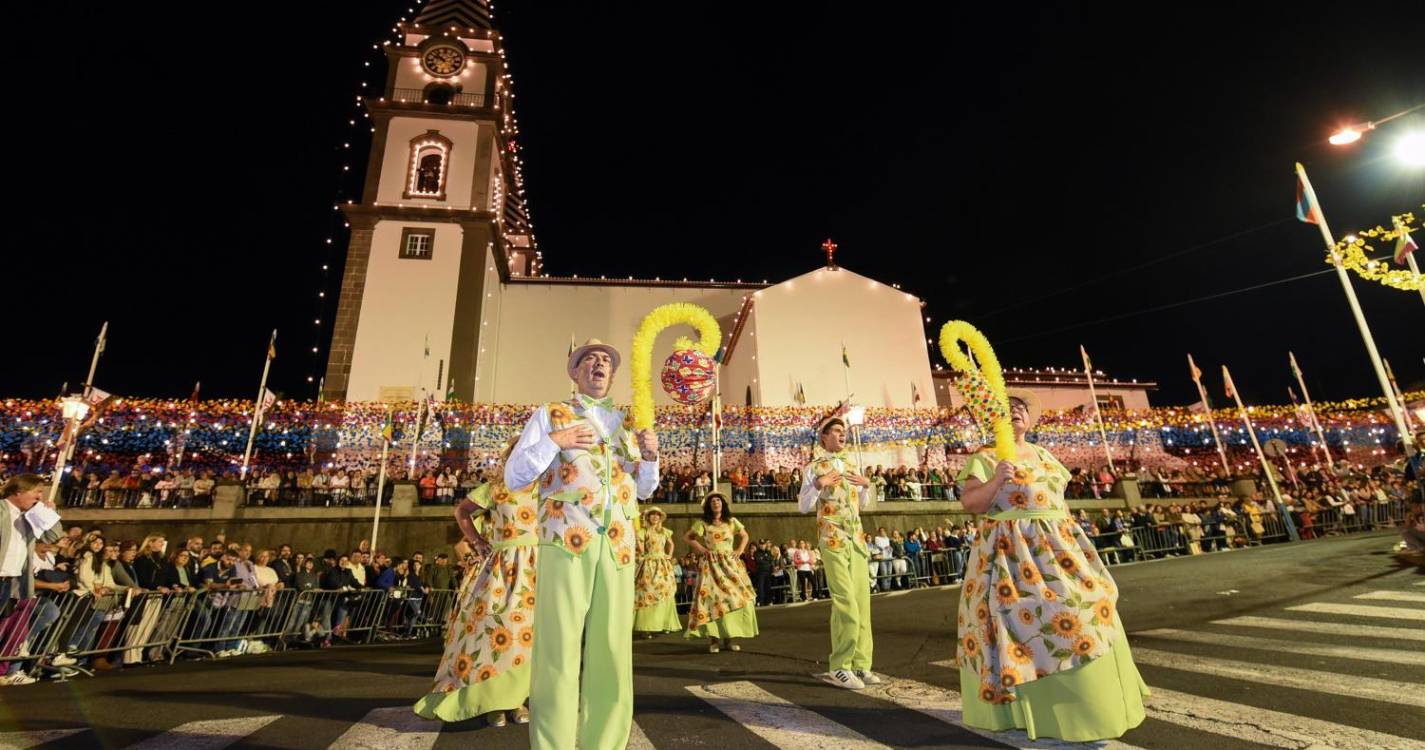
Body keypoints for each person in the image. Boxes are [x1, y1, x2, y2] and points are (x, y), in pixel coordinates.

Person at [955, 388, 1147, 741]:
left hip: (1059, 548)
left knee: (1090, 608)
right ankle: (1039, 711)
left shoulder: (1044, 455)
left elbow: (1059, 503)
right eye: (1006, 409)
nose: (1014, 412)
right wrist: (998, 478)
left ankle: (1091, 708)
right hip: (1010, 556)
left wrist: (1075, 541)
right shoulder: (984, 457)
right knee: (1021, 626)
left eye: (1020, 409)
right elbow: (971, 503)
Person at [504, 338, 660, 750]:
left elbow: (644, 490)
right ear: (574, 373)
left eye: (606, 360)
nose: (599, 364)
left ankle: (604, 744)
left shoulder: (628, 423)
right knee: (558, 649)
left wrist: (651, 457)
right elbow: (514, 476)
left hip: (619, 545)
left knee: (612, 650)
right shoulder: (550, 414)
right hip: (566, 538)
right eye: (589, 359)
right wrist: (555, 441)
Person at [799, 416, 878, 690]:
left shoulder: (852, 466)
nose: (842, 435)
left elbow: (863, 505)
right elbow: (803, 506)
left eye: (843, 431)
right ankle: (840, 666)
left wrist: (867, 485)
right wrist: (818, 485)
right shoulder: (813, 468)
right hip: (832, 538)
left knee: (862, 603)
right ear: (824, 437)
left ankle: (861, 664)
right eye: (836, 431)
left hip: (856, 539)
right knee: (845, 601)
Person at [0, 474, 65, 685]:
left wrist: (50, 513)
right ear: (19, 491)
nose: (40, 496)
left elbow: (52, 536)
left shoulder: (28, 517)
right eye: (36, 491)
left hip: (11, 581)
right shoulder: (1, 509)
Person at [683, 493, 758, 652]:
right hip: (711, 565)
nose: (716, 503)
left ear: (723, 503)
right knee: (711, 599)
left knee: (732, 598)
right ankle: (713, 640)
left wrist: (739, 550)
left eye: (718, 500)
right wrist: (702, 549)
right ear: (709, 506)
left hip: (730, 564)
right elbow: (688, 537)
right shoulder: (703, 523)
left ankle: (729, 639)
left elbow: (744, 535)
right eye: (712, 501)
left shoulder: (731, 522)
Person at [633, 507, 681, 637]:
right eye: (652, 515)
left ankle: (665, 623)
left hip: (662, 564)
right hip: (649, 563)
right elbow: (640, 546)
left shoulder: (664, 531)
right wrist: (642, 549)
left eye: (657, 515)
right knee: (647, 590)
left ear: (660, 518)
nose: (655, 517)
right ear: (648, 517)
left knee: (666, 590)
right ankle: (646, 627)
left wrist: (669, 555)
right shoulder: (644, 531)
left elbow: (671, 544)